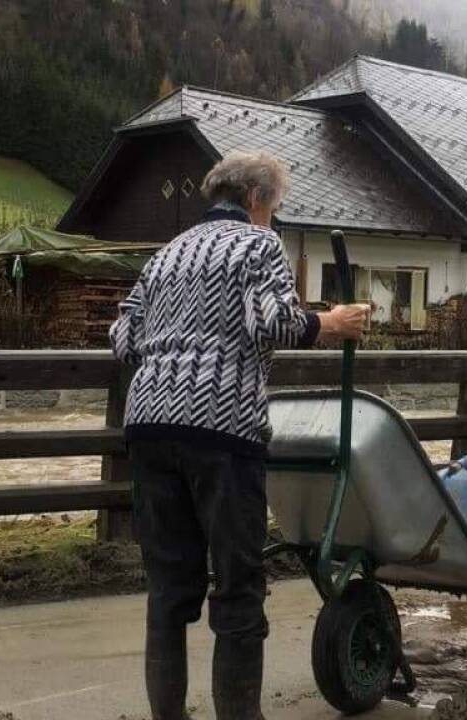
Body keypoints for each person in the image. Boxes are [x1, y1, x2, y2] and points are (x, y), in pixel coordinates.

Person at [110, 151, 369, 719]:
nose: (273, 219)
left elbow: (123, 338)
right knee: (237, 589)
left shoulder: (166, 254)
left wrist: (173, 358)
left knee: (169, 591)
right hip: (221, 429)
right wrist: (331, 322)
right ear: (256, 200)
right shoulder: (258, 244)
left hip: (149, 427)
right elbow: (271, 322)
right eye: (274, 208)